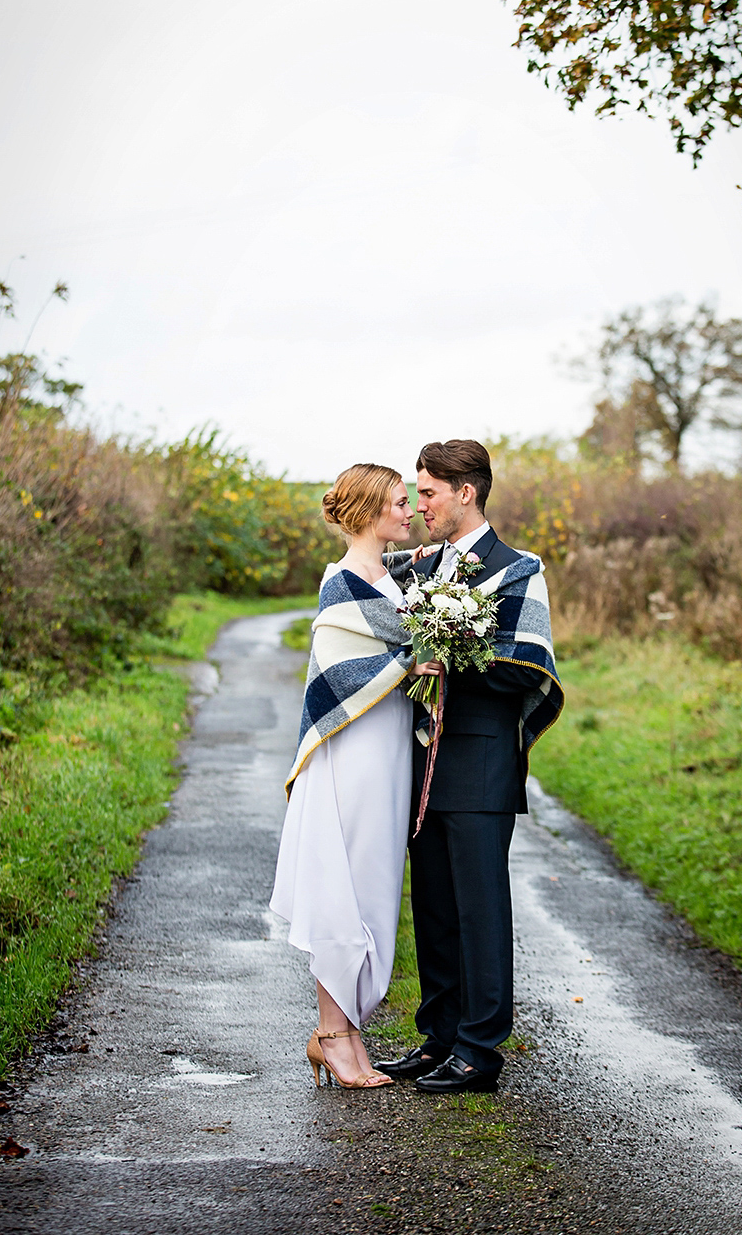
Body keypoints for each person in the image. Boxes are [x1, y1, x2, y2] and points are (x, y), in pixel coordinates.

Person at [375, 439, 564, 1094]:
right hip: (424, 760)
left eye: (427, 492)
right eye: (417, 493)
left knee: (480, 910)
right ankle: (440, 1038)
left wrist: (458, 647)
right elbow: (366, 579)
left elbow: (529, 663)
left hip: (480, 762)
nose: (420, 503)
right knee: (432, 904)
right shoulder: (422, 568)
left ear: (466, 492)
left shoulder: (517, 568)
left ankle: (480, 1051)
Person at [270, 463, 440, 1091]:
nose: (410, 511)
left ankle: (343, 1035)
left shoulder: (390, 578)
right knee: (345, 881)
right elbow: (350, 669)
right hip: (353, 752)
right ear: (371, 513)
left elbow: (406, 616)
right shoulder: (340, 583)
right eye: (400, 502)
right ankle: (334, 1035)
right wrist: (416, 658)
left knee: (374, 885)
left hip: (389, 751)